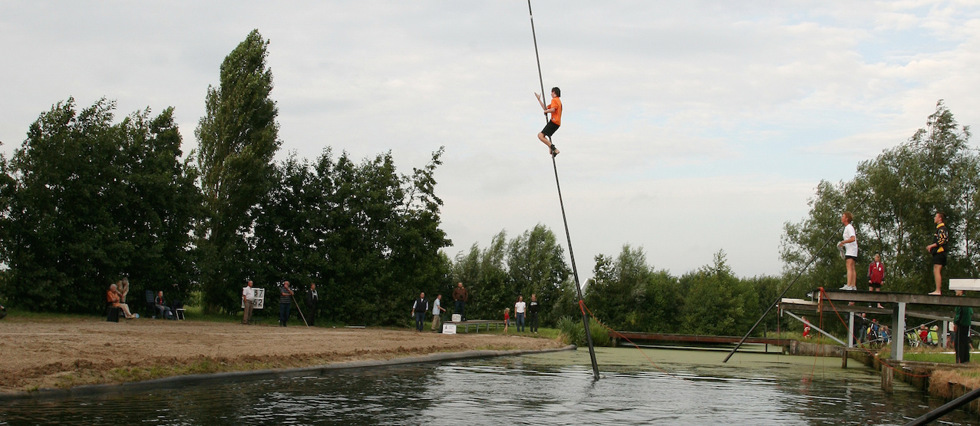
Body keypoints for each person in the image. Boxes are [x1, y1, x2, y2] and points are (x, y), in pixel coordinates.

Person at [534, 87, 562, 156]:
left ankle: (554, 149)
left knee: (540, 136)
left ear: (554, 92)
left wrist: (546, 111)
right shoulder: (558, 101)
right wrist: (539, 99)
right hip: (556, 123)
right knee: (543, 136)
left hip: (554, 122)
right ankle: (551, 148)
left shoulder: (554, 100)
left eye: (551, 92)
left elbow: (553, 110)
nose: (551, 94)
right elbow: (546, 108)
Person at [927, 212, 948, 295]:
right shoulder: (939, 228)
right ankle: (937, 290)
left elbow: (942, 240)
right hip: (938, 252)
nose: (934, 218)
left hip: (941, 252)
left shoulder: (942, 228)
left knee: (937, 269)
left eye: (936, 216)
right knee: (935, 269)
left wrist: (931, 246)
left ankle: (938, 290)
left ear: (940, 219)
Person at [838, 211, 858, 291]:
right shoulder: (849, 227)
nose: (841, 218)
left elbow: (853, 238)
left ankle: (849, 285)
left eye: (843, 216)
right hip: (852, 249)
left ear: (846, 218)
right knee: (852, 267)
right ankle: (853, 285)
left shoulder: (849, 227)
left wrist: (843, 242)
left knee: (849, 266)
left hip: (851, 250)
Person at [954, 291, 973, 363]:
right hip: (967, 324)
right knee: (965, 342)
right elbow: (971, 312)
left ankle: (960, 360)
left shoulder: (960, 300)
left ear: (961, 291)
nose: (955, 291)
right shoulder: (968, 300)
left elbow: (959, 313)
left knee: (958, 344)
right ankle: (966, 360)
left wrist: (956, 323)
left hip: (961, 324)